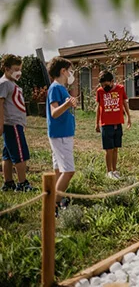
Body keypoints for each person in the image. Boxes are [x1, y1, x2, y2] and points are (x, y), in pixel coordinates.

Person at [46, 56, 78, 215]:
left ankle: (55, 199)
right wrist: (67, 104)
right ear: (63, 71)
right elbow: (54, 112)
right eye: (70, 71)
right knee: (69, 171)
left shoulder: (61, 88)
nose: (71, 74)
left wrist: (70, 103)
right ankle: (53, 205)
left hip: (62, 134)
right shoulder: (55, 88)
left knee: (59, 170)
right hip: (61, 135)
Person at [0, 54, 34, 192]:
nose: (18, 72)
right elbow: (0, 104)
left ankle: (8, 182)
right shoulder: (4, 83)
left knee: (7, 154)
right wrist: (1, 123)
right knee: (21, 154)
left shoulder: (12, 83)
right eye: (15, 69)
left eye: (20, 69)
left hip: (16, 124)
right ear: (6, 69)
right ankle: (22, 183)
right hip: (12, 124)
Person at [95, 70, 132, 180]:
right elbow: (98, 107)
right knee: (108, 149)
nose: (104, 87)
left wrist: (129, 117)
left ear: (112, 81)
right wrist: (97, 123)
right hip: (106, 124)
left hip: (117, 122)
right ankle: (109, 171)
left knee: (116, 148)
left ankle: (115, 170)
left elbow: (124, 103)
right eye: (102, 85)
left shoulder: (120, 89)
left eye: (106, 85)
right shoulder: (100, 91)